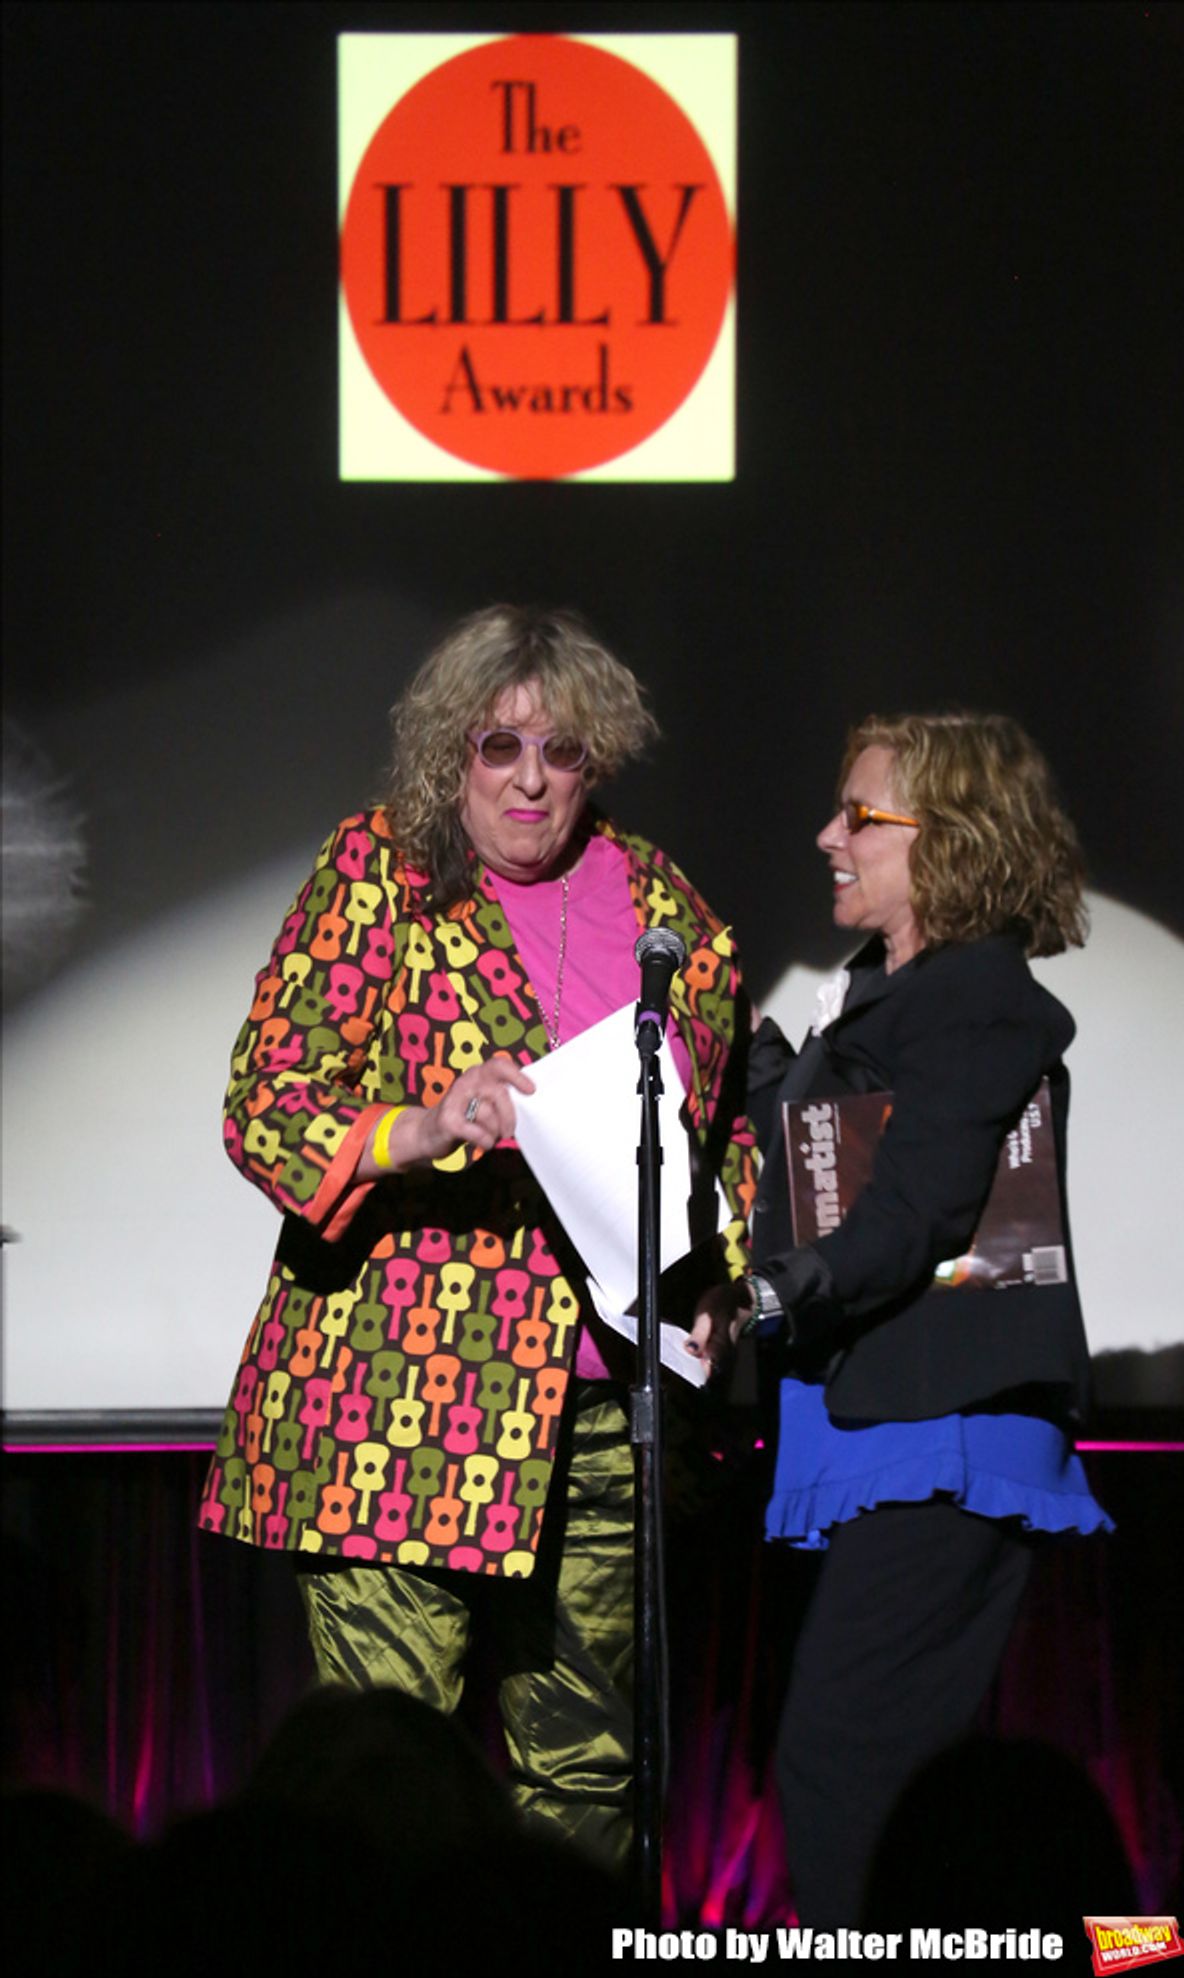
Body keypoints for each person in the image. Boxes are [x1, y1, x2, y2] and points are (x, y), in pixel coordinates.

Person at [200, 604, 756, 1873]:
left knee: (589, 1767)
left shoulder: (664, 902)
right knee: (381, 1774)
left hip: (608, 1408)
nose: (528, 779)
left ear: (594, 761)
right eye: (498, 747)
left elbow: (715, 1137)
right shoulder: (378, 877)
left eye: (559, 753)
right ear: (452, 753)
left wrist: (717, 1275)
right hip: (399, 1402)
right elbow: (268, 1104)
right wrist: (422, 1123)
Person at [689, 711, 1112, 1927]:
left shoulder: (979, 998)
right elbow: (824, 1143)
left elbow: (918, 1207)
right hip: (895, 1421)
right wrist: (729, 1039)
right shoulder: (884, 993)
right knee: (882, 1770)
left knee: (840, 1764)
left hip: (954, 1429)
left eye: (861, 817)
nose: (829, 834)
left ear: (955, 839)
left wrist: (765, 1297)